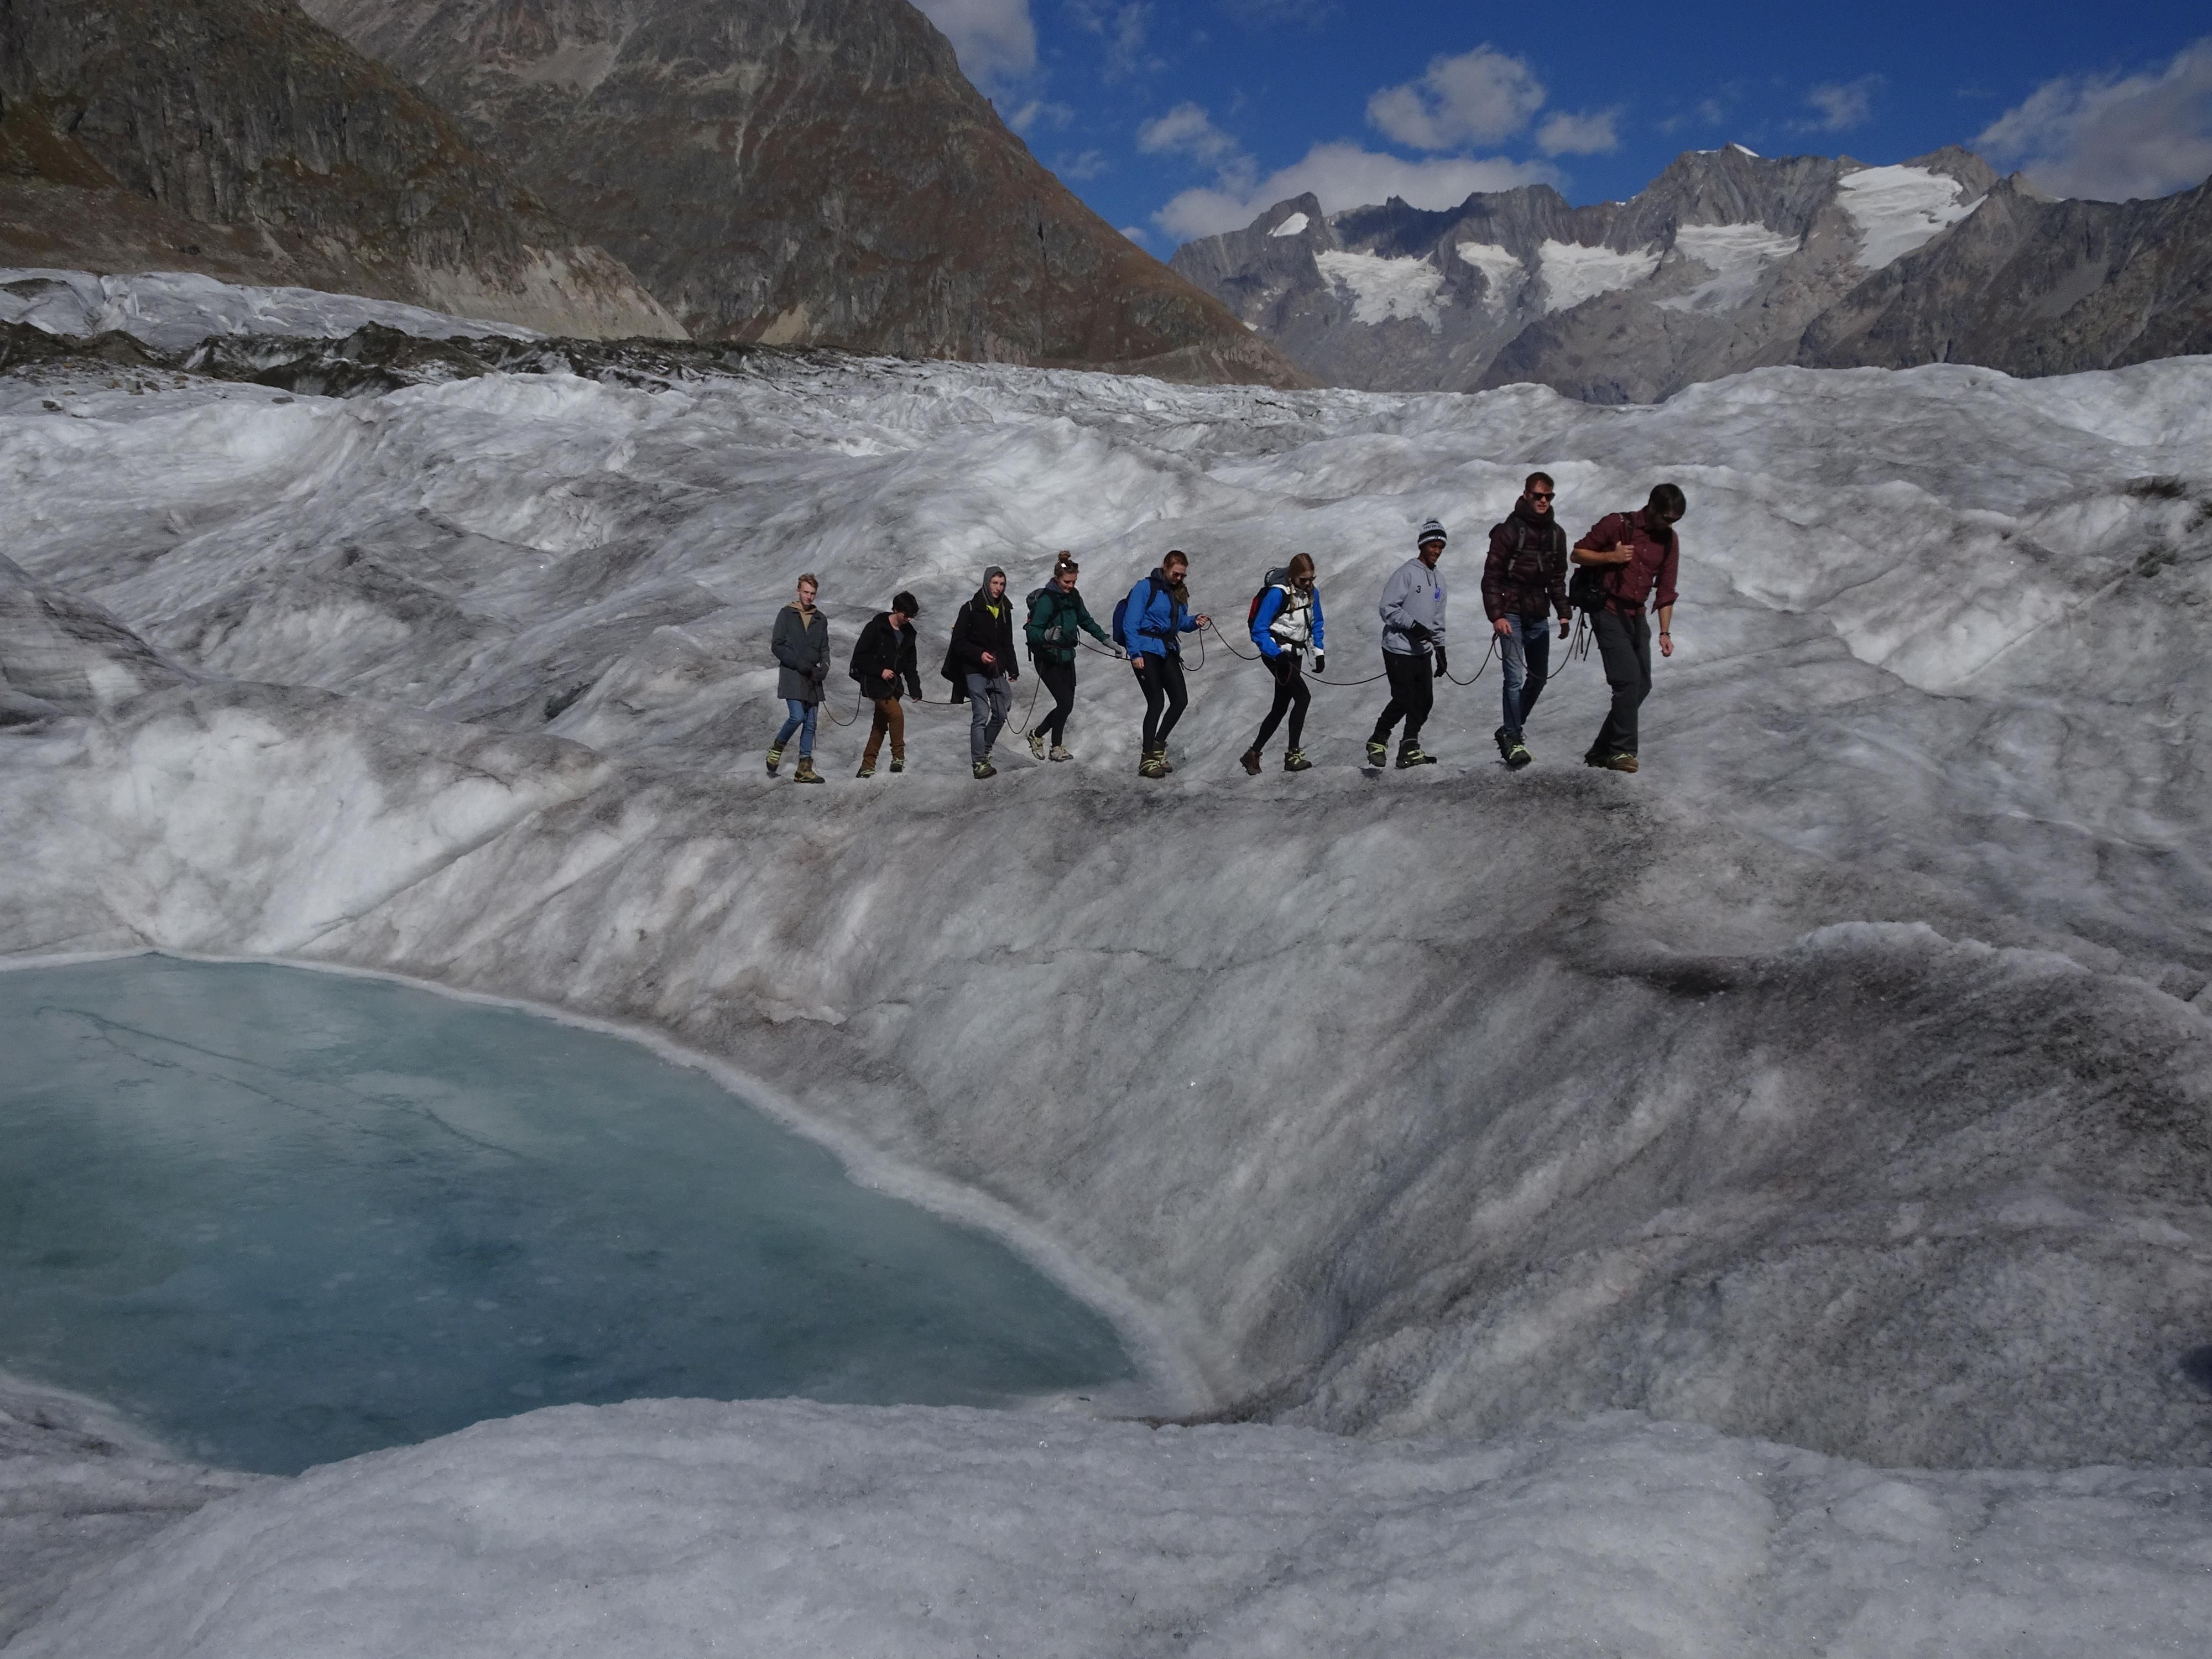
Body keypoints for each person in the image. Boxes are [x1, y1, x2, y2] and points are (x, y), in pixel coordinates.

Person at [1571, 483, 1684, 774]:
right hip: (1607, 610)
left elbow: (1666, 590)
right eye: (1667, 518)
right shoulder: (1617, 524)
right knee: (1627, 680)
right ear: (1652, 507)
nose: (1670, 525)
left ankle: (1600, 751)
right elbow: (1578, 553)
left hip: (1637, 616)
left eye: (1675, 520)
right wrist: (1611, 557)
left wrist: (1665, 633)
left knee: (1642, 684)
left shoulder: (1669, 541)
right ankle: (1621, 751)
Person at [1483, 473, 1572, 769]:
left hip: (1538, 613)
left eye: (1549, 496)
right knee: (1514, 678)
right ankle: (1513, 736)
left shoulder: (1557, 534)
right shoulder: (1509, 531)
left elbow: (1558, 577)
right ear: (1526, 495)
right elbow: (1492, 576)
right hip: (1511, 612)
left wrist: (1563, 612)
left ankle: (1510, 728)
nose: (1544, 501)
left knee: (1539, 677)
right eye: (1538, 496)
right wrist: (1497, 616)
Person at [1367, 519, 1449, 769]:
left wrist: (1440, 649)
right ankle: (1378, 739)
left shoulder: (1439, 580)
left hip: (1423, 651)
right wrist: (1413, 626)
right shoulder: (1406, 573)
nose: (1437, 551)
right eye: (1433, 546)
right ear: (1422, 545)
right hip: (1398, 648)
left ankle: (1409, 747)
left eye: (1440, 547)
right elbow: (1388, 608)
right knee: (1404, 698)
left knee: (1424, 701)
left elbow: (1438, 618)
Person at [1122, 550, 1209, 780]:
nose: (1178, 578)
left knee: (1180, 700)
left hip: (1167, 649)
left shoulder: (1177, 592)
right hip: (1145, 649)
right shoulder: (1145, 588)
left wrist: (1194, 622)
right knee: (1156, 702)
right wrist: (1135, 653)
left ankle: (1158, 745)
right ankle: (1147, 757)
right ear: (1165, 567)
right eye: (1175, 574)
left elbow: (1180, 624)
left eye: (1182, 575)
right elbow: (1131, 622)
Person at [1024, 553, 1114, 761]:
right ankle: (1047, 741)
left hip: (1066, 656)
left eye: (1074, 582)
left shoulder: (1074, 597)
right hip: (1047, 658)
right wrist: (1046, 636)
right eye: (1067, 582)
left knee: (1067, 705)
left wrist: (1105, 639)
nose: (1071, 586)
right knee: (1065, 703)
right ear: (1057, 578)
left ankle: (1046, 741)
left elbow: (1086, 620)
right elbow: (1032, 630)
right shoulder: (1047, 601)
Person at [1240, 553, 1324, 774]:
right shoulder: (1277, 594)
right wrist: (1276, 655)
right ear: (1292, 576)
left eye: (1311, 579)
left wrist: (1319, 652)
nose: (1308, 583)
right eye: (1303, 579)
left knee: (1280, 707)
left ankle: (1253, 754)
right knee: (1303, 697)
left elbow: (1317, 622)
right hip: (1278, 655)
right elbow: (1259, 630)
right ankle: (1293, 755)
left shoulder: (1311, 593)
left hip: (1295, 654)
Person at [948, 566, 1020, 778]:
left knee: (1002, 712)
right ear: (987, 583)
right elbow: (958, 642)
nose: (998, 588)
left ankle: (985, 750)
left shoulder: (1005, 609)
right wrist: (979, 655)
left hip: (996, 670)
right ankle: (979, 762)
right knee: (981, 714)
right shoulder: (970, 608)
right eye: (995, 583)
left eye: (1002, 584)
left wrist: (1013, 669)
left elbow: (1008, 642)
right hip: (974, 671)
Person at [848, 590, 922, 778]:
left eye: (912, 616)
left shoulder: (909, 634)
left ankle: (867, 765)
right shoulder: (876, 627)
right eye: (906, 615)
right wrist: (880, 671)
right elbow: (859, 657)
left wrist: (915, 689)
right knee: (896, 715)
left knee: (880, 724)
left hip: (893, 685)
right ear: (896, 610)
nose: (909, 619)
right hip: (874, 682)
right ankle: (898, 757)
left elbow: (911, 666)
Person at [768, 573, 830, 784]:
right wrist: (797, 663)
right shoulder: (787, 614)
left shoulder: (820, 619)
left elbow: (824, 648)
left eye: (812, 593)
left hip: (812, 677)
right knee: (797, 716)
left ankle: (804, 769)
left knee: (811, 722)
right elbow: (777, 645)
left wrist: (825, 666)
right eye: (806, 592)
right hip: (792, 674)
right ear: (798, 591)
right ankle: (778, 746)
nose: (809, 597)